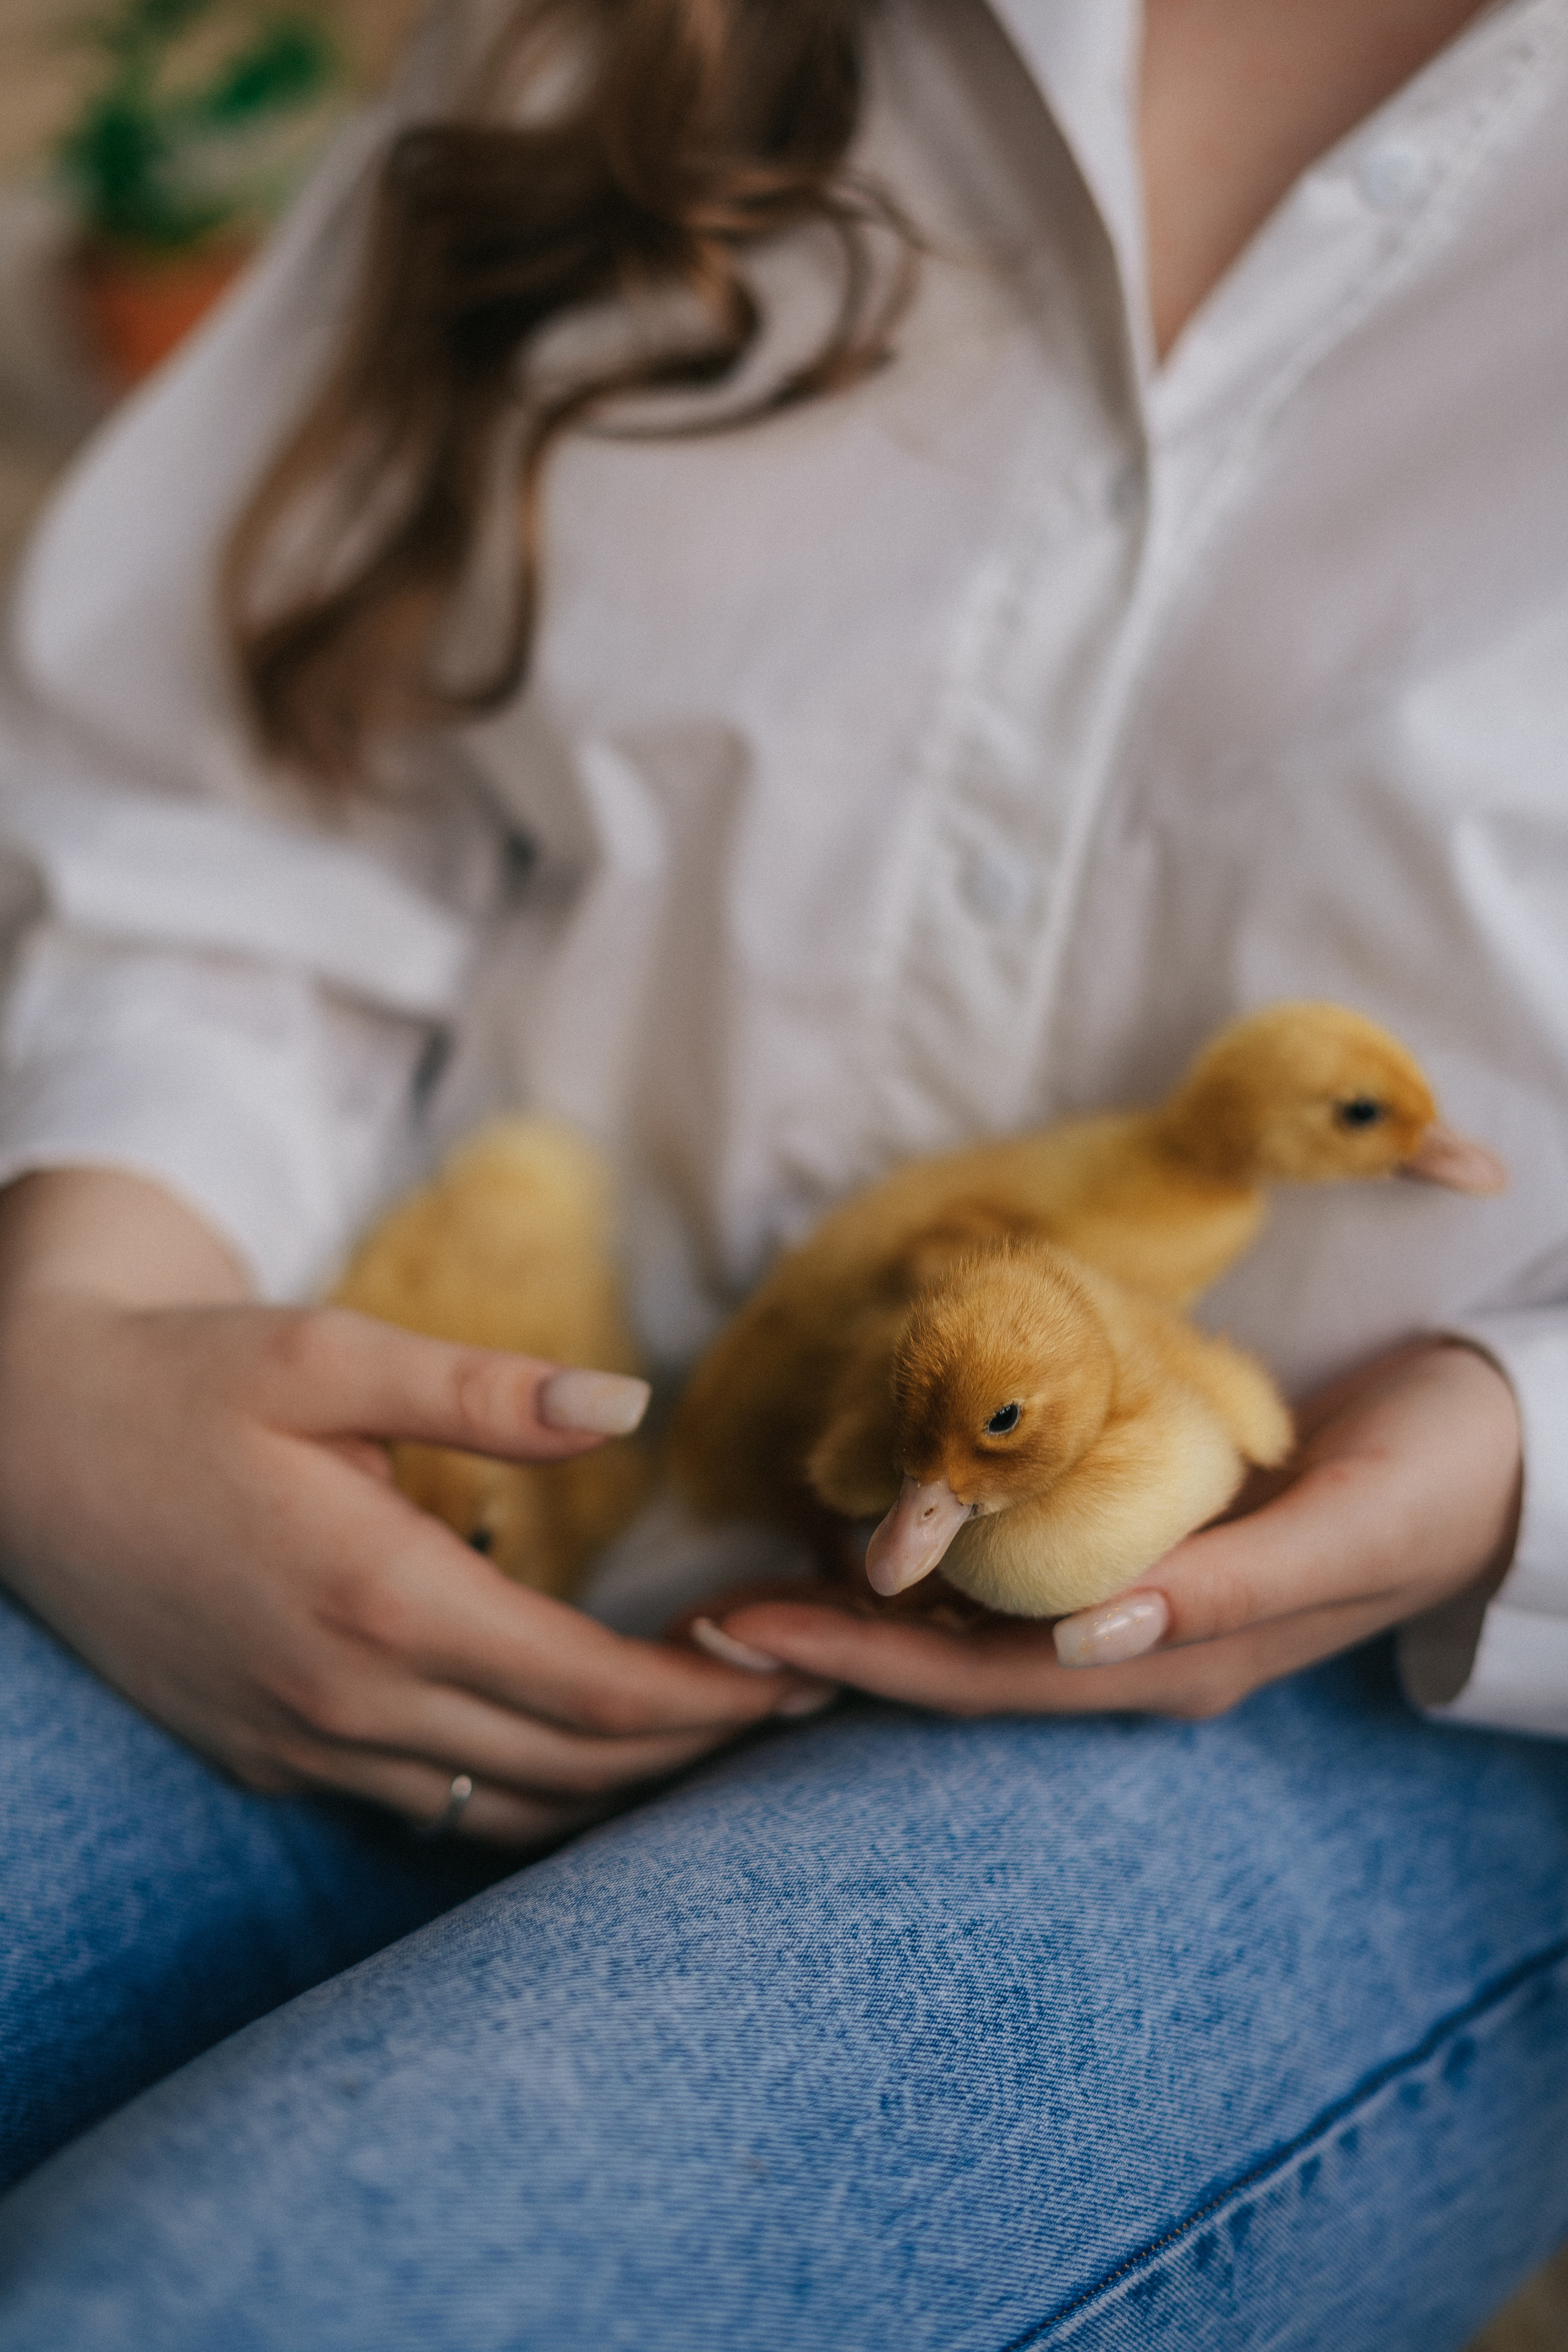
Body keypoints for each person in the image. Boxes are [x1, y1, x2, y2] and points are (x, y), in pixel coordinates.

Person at [0, 0, 1564, 2342]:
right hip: (452, 1446)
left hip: (1375, 1699)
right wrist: (72, 1339)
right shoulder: (643, 39)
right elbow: (265, 783)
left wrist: (1503, 1460)